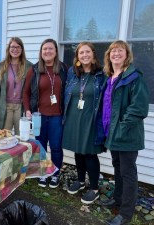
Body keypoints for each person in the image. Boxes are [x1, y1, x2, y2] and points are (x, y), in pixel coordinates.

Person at [100, 40, 149, 225]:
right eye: (113, 51)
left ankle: (125, 214)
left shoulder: (134, 77)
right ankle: (118, 199)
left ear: (127, 55)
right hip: (112, 133)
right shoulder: (110, 78)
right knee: (118, 168)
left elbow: (139, 108)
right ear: (108, 56)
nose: (116, 54)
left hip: (126, 135)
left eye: (120, 51)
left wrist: (121, 127)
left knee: (128, 172)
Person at [62, 42, 106, 204]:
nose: (85, 55)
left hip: (91, 119)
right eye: (81, 53)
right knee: (78, 151)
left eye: (88, 52)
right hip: (73, 117)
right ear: (77, 57)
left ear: (93, 55)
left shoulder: (102, 76)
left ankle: (94, 188)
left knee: (89, 153)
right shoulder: (72, 74)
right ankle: (80, 181)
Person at [23, 38, 67, 188]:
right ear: (41, 53)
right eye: (44, 49)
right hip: (38, 116)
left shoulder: (63, 69)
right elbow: (26, 93)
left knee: (55, 146)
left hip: (57, 116)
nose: (47, 51)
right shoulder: (34, 70)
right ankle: (43, 172)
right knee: (40, 146)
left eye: (50, 49)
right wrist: (28, 109)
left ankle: (55, 173)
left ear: (56, 52)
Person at [0, 37, 32, 135]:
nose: (15, 49)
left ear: (22, 49)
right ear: (8, 49)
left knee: (22, 136)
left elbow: (31, 89)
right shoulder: (2, 66)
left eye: (18, 47)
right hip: (6, 106)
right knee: (4, 135)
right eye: (12, 47)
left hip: (21, 106)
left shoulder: (29, 66)